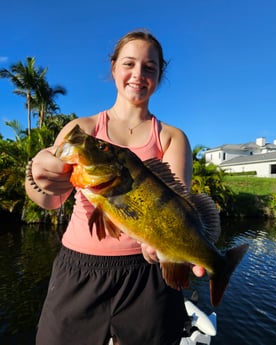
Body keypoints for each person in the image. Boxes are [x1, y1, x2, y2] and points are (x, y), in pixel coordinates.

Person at [25, 29, 205, 345]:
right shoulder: (81, 131)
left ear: (160, 74)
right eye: (129, 64)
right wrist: (36, 175)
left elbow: (177, 208)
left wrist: (163, 247)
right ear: (113, 68)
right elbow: (50, 201)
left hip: (148, 277)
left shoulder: (172, 138)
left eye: (150, 67)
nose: (138, 74)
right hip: (79, 269)